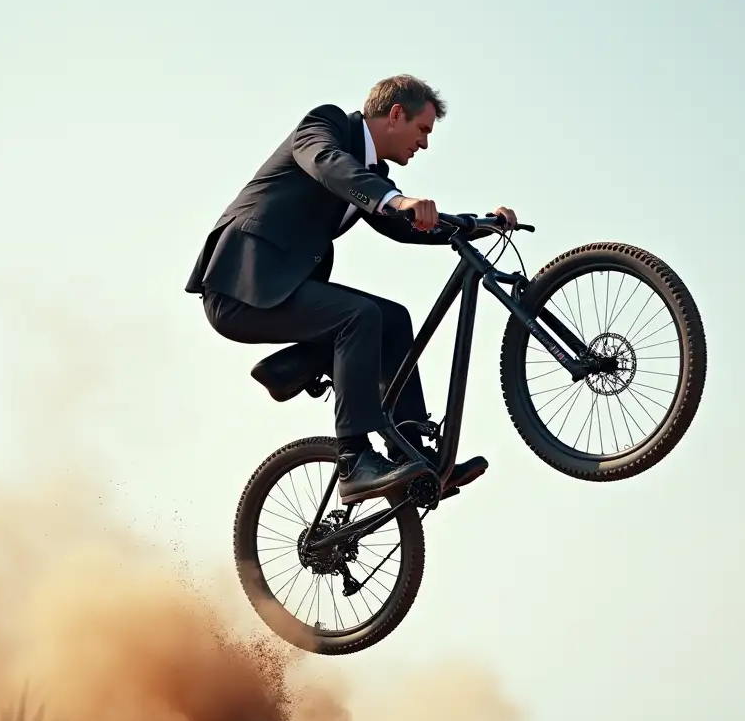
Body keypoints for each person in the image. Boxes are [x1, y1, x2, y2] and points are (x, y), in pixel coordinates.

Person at [185, 74, 519, 503]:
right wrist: (396, 200)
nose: (425, 144)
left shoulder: (370, 174)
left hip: (278, 290)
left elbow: (404, 226)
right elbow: (327, 163)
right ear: (396, 114)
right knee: (358, 316)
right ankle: (354, 459)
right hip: (239, 286)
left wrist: (478, 225)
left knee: (393, 319)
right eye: (423, 130)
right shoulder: (325, 128)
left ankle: (410, 449)